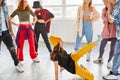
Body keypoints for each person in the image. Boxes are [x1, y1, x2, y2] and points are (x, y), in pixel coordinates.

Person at [0, 0, 24, 72]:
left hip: (6, 32)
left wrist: (12, 32)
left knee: (12, 49)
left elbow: (8, 20)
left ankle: (17, 64)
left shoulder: (4, 6)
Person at [93, 0, 117, 69]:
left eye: (105, 1)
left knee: (113, 47)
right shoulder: (104, 9)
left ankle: (109, 61)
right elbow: (104, 18)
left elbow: (112, 19)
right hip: (106, 29)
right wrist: (108, 10)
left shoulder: (116, 8)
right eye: (103, 2)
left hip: (114, 30)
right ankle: (100, 58)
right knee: (102, 44)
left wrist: (110, 10)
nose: (104, 3)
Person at [103, 0, 120, 79]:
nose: (104, 3)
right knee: (117, 53)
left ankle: (114, 73)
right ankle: (115, 71)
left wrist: (109, 8)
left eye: (105, 1)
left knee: (117, 53)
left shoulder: (117, 5)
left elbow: (111, 20)